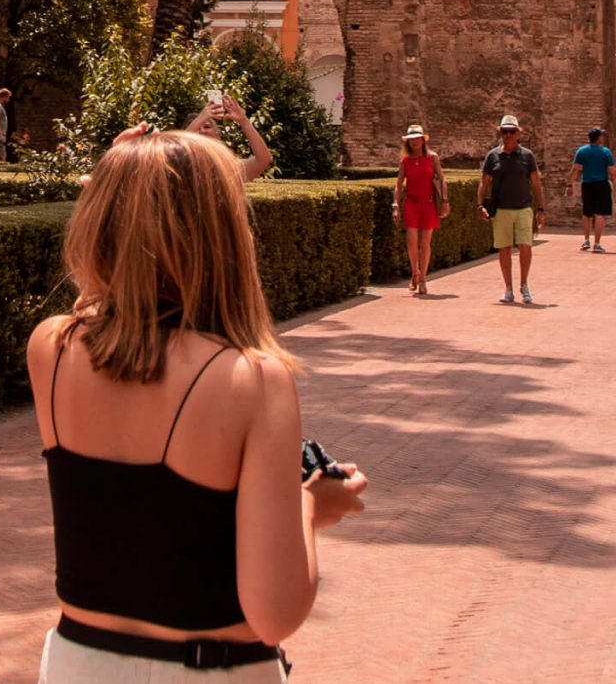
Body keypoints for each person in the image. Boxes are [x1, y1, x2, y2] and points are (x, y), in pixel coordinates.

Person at [29, 127, 367, 680]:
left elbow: (98, 300)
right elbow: (274, 613)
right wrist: (312, 505)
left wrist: (120, 175)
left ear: (104, 222)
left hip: (75, 662)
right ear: (225, 234)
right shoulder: (252, 380)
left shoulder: (52, 347)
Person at [478, 115, 543, 305]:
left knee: (525, 246)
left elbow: (536, 184)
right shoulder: (493, 156)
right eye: (504, 131)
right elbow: (484, 183)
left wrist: (541, 209)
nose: (507, 135)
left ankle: (524, 284)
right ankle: (508, 288)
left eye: (511, 131)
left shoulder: (527, 156)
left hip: (523, 207)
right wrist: (480, 205)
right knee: (504, 249)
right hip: (501, 209)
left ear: (518, 133)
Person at [396, 125, 443, 296]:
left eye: (417, 138)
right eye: (411, 139)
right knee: (411, 241)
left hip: (429, 203)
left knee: (425, 243)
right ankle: (415, 271)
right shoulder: (405, 161)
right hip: (412, 203)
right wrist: (395, 205)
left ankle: (422, 278)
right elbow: (399, 183)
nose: (415, 141)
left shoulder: (432, 158)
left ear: (423, 140)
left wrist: (444, 201)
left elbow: (441, 180)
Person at [188, 92, 274, 183]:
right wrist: (199, 119)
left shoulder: (227, 168)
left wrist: (243, 121)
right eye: (197, 127)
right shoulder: (180, 167)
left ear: (217, 133)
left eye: (207, 126)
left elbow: (264, 159)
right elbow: (172, 154)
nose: (202, 131)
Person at [572, 127, 616, 252]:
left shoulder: (581, 151)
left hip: (587, 184)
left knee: (587, 213)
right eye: (602, 136)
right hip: (601, 184)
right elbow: (612, 172)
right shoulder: (605, 152)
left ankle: (586, 240)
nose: (603, 138)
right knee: (600, 214)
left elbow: (576, 168)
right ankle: (597, 243)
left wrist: (569, 184)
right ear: (599, 138)